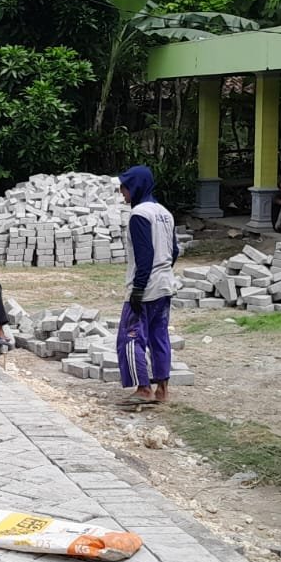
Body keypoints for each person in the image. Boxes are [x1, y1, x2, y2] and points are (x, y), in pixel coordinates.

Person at [116, 165, 180, 406]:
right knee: (159, 336)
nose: (122, 193)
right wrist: (164, 272)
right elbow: (174, 250)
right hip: (165, 285)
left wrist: (139, 289)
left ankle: (143, 389)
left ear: (135, 187)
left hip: (146, 287)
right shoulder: (165, 212)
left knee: (130, 337)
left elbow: (145, 255)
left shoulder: (139, 215)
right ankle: (162, 389)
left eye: (124, 187)